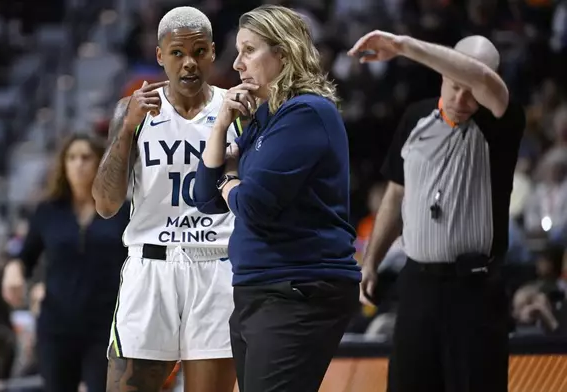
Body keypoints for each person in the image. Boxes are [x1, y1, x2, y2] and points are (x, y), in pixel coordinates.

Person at [193, 5, 361, 392]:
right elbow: (204, 196)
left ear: (283, 54)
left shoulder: (307, 112)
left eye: (249, 50)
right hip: (260, 288)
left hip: (298, 288)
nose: (236, 64)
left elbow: (252, 206)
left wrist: (230, 180)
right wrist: (221, 124)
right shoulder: (266, 117)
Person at [349, 31, 525, 392]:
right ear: (441, 73)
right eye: (454, 85)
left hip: (474, 288)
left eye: (471, 89)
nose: (462, 98)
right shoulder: (416, 117)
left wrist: (401, 46)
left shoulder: (501, 122)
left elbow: (482, 80)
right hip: (418, 285)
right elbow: (396, 194)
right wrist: (372, 262)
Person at [92, 7, 238, 392]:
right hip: (151, 267)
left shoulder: (237, 109)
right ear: (160, 56)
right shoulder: (132, 109)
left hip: (217, 268)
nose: (189, 63)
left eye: (199, 52)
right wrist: (125, 131)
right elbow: (106, 205)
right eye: (177, 53)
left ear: (212, 52)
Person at [1, 134, 130, 392]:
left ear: (100, 163)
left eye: (86, 157)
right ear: (63, 165)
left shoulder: (122, 210)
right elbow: (25, 257)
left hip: (106, 324)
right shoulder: (47, 211)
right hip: (56, 325)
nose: (79, 164)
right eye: (72, 158)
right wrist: (13, 270)